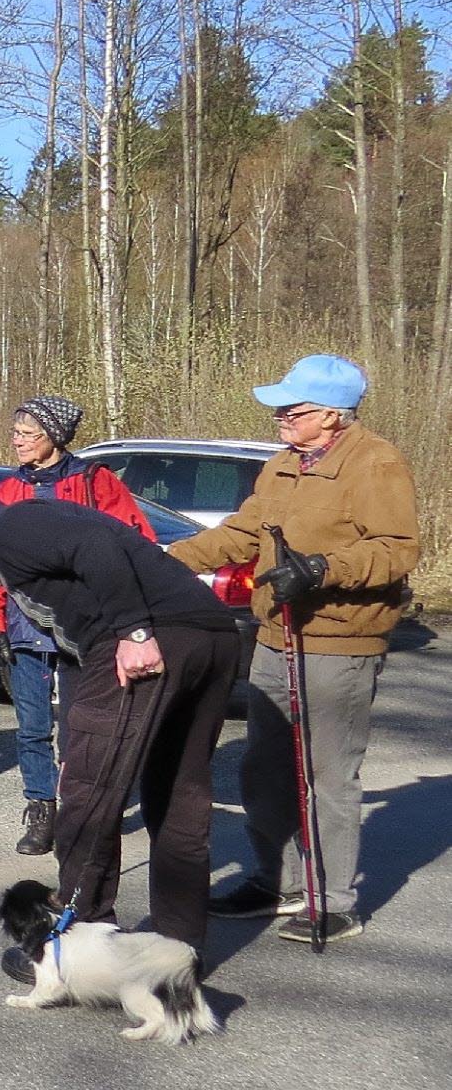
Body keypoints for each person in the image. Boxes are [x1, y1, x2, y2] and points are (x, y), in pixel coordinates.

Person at [0, 492, 240, 976]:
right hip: (209, 635)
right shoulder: (28, 529)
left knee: (87, 796)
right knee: (179, 791)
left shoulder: (7, 529)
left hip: (154, 637)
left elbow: (94, 544)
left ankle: (77, 947)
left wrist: (135, 633)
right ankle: (178, 951)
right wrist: (79, 734)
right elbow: (78, 646)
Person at [167, 356, 420, 943]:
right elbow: (239, 534)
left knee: (328, 773)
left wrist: (323, 568)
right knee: (264, 766)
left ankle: (333, 899)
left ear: (333, 415)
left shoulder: (375, 462)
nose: (280, 415)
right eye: (281, 406)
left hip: (338, 636)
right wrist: (162, 561)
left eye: (294, 408)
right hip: (276, 633)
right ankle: (274, 882)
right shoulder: (283, 465)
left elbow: (398, 549)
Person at [0, 396, 154, 858]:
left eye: (26, 434)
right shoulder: (8, 492)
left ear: (52, 437)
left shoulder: (98, 483)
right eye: (14, 433)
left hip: (84, 629)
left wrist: (129, 618)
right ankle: (40, 808)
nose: (16, 441)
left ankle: (79, 808)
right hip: (24, 627)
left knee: (80, 726)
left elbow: (135, 542)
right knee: (31, 727)